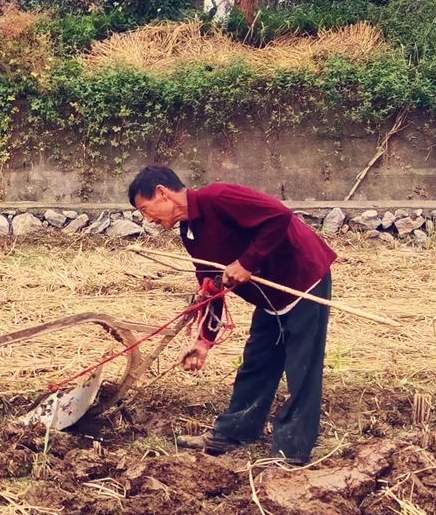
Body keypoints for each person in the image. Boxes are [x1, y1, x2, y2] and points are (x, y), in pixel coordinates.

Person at [127, 165, 337, 465]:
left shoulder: (218, 197)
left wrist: (246, 262)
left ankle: (292, 450)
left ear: (162, 193)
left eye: (146, 209)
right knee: (258, 360)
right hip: (270, 298)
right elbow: (211, 288)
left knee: (302, 365)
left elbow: (279, 216)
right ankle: (234, 432)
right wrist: (203, 343)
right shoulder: (190, 234)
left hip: (304, 279)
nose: (148, 219)